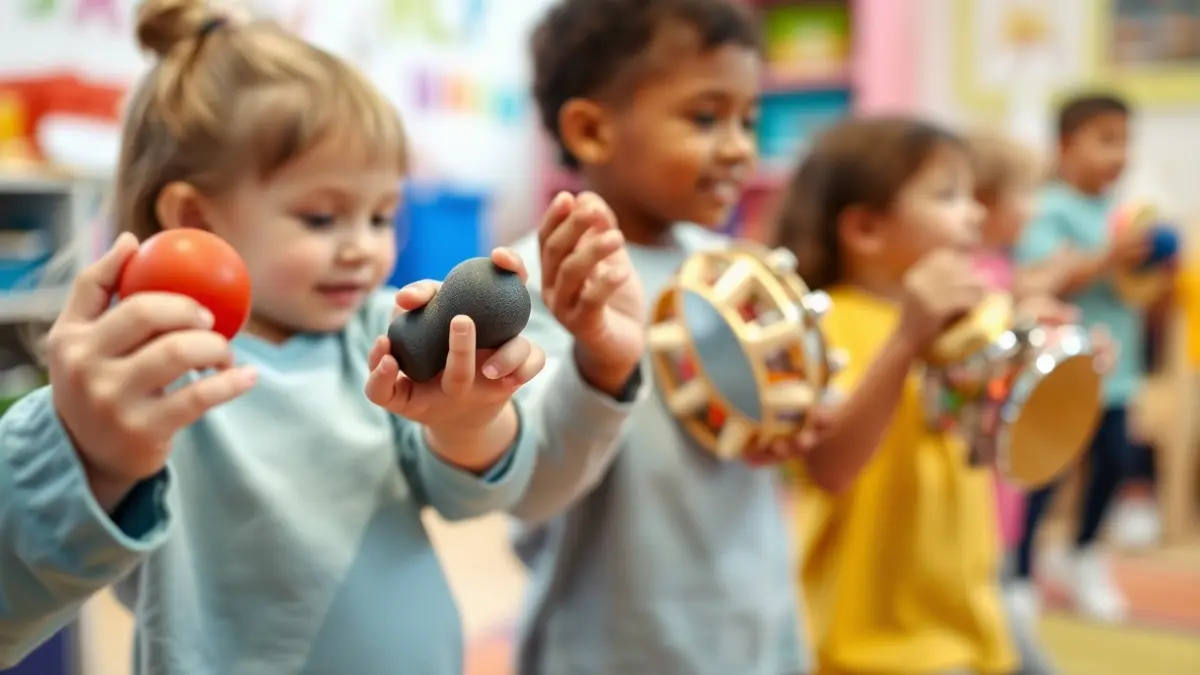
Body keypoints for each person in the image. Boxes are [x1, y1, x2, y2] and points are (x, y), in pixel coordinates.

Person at [0, 1, 636, 673]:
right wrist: (86, 448)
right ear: (194, 216)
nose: (363, 248)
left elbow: (470, 498)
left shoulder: (378, 330)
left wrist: (469, 418)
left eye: (382, 214)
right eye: (322, 217)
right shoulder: (156, 375)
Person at [510, 1, 809, 673]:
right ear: (591, 130)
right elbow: (525, 483)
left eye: (748, 119)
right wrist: (597, 359)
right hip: (611, 641)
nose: (738, 146)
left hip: (749, 620)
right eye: (705, 118)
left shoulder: (731, 269)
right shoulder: (536, 279)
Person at [774, 117, 1070, 675]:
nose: (975, 214)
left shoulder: (972, 320)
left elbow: (1004, 433)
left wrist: (1040, 354)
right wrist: (909, 338)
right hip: (876, 638)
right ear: (865, 230)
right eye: (947, 195)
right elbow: (828, 467)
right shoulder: (828, 324)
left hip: (970, 608)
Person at [1010, 92, 1150, 624]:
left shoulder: (1123, 212)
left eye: (1125, 141)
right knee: (1043, 474)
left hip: (1118, 371)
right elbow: (1040, 277)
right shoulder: (1047, 208)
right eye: (1106, 139)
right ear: (1067, 144)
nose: (1119, 154)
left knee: (1116, 462)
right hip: (1058, 371)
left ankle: (1083, 553)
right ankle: (1020, 572)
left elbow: (1132, 287)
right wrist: (1106, 259)